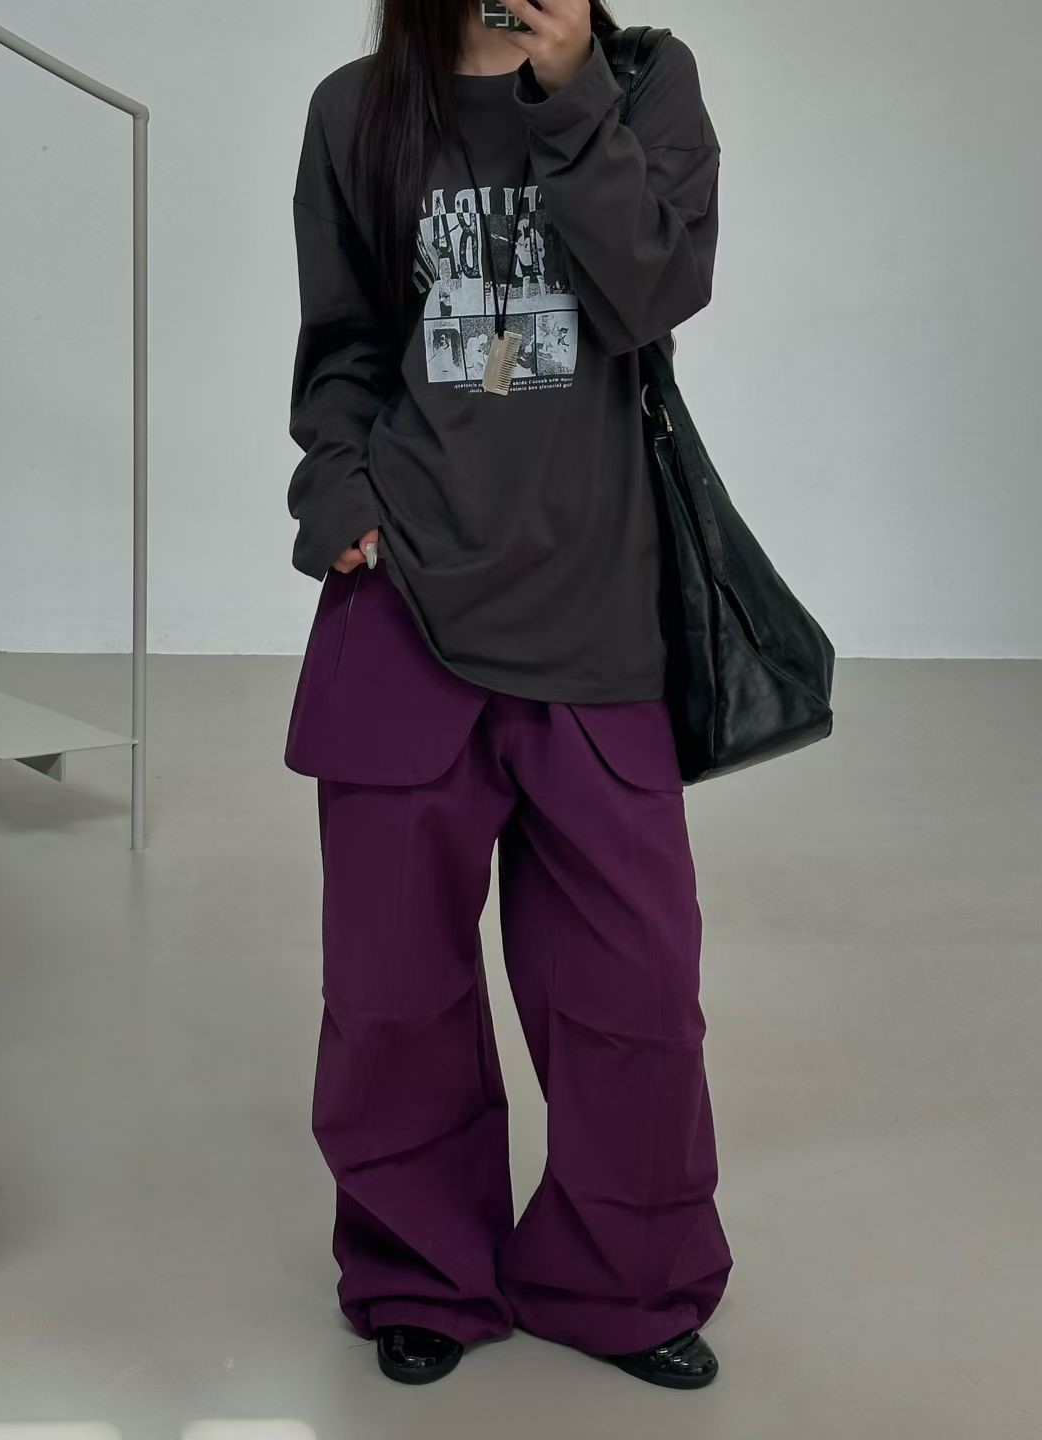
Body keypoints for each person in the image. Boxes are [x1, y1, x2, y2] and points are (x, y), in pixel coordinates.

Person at [284, 0, 728, 1389]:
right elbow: (344, 346)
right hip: (403, 598)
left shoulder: (645, 84)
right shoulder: (356, 107)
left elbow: (653, 292)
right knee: (390, 990)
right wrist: (337, 494)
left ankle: (623, 1279)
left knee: (633, 988)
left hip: (594, 613)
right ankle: (421, 1269)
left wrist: (568, 85)